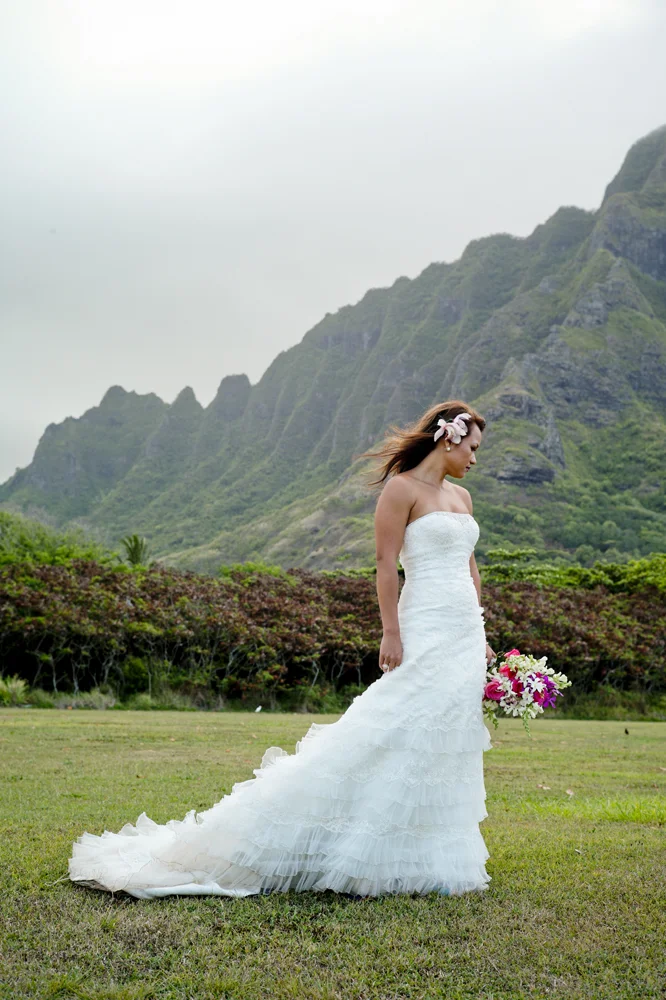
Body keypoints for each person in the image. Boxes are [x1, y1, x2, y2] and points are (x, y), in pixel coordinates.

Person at [68, 400, 497, 899]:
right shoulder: (401, 490)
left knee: (446, 738)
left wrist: (481, 632)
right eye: (473, 448)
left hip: (463, 633)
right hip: (421, 624)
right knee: (395, 723)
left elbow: (470, 570)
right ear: (450, 438)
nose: (474, 458)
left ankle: (427, 854)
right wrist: (391, 632)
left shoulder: (463, 499)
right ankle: (329, 834)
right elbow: (384, 565)